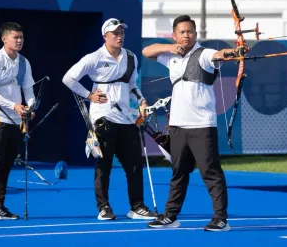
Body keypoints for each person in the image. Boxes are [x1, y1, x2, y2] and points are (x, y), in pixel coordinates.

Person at [143, 15, 233, 231]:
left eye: (190, 31)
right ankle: (170, 217)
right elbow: (147, 51)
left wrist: (233, 52)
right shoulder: (172, 56)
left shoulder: (204, 55)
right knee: (178, 172)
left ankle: (220, 218)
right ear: (175, 35)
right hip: (178, 125)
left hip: (202, 125)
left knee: (210, 172)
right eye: (182, 32)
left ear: (196, 34)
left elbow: (220, 55)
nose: (186, 35)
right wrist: (171, 48)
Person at [62, 18, 157, 221]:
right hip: (102, 116)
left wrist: (141, 101)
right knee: (104, 164)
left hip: (126, 117)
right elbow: (68, 78)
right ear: (105, 36)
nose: (120, 36)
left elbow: (132, 85)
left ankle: (137, 206)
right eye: (115, 33)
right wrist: (89, 95)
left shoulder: (130, 57)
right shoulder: (94, 57)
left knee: (134, 164)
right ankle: (104, 208)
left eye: (122, 32)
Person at [0, 22, 36, 221]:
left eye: (21, 37)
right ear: (4, 39)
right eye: (15, 37)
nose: (19, 40)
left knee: (7, 165)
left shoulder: (24, 63)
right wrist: (14, 105)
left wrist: (30, 106)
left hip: (16, 121)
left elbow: (29, 89)